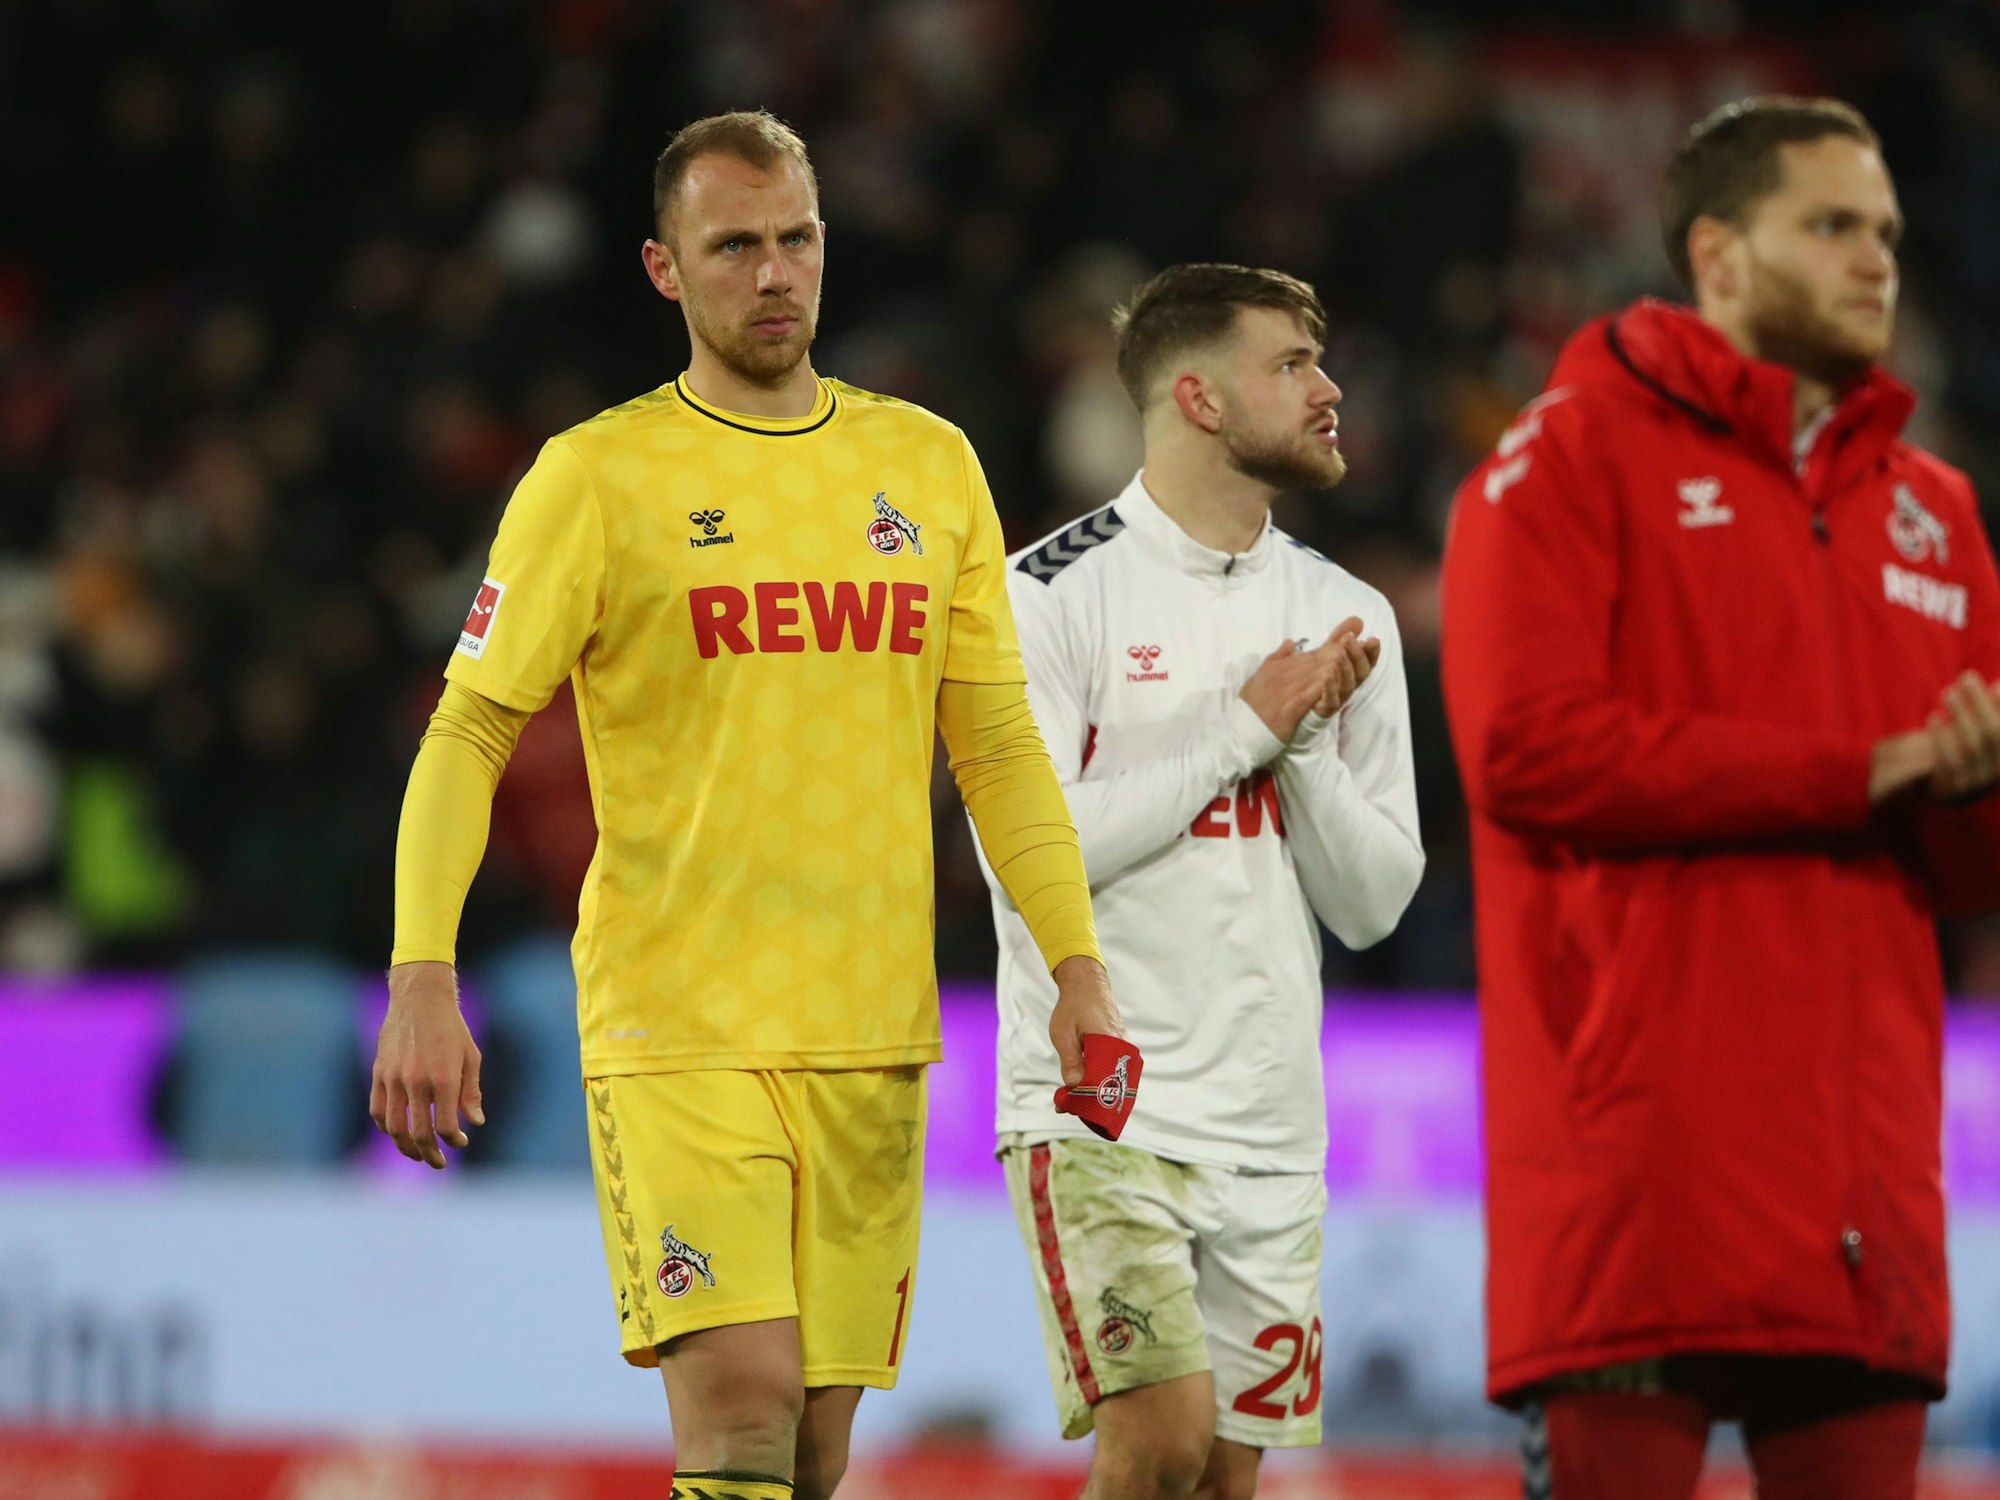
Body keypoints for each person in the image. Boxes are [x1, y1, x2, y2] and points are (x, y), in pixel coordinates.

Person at [369, 110, 1123, 1500]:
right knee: (743, 1417)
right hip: (679, 1023)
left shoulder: (929, 466)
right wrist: (424, 969)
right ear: (666, 270)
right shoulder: (599, 477)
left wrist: (1076, 968)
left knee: (815, 1455)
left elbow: (1000, 746)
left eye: (796, 240)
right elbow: (470, 724)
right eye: (735, 247)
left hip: (869, 1024)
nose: (774, 273)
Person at [1442, 96, 2000, 1499]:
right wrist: (1863, 769)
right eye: (1830, 226)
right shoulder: (1565, 458)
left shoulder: (1934, 511)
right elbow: (1528, 750)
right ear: (1719, 255)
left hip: (1867, 1202)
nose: (1876, 259)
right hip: (1640, 1186)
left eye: (1883, 229)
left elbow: (1975, 869)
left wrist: (1965, 798)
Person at [987, 263, 1425, 1500]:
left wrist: (1293, 753)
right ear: (1198, 398)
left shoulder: (1347, 614)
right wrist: (1235, 732)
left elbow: (1373, 901)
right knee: (1160, 1441)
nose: (1328, 387)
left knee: (1223, 1480)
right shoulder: (1043, 594)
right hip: (1103, 1107)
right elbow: (1027, 854)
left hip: (1273, 1126)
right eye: (1290, 363)